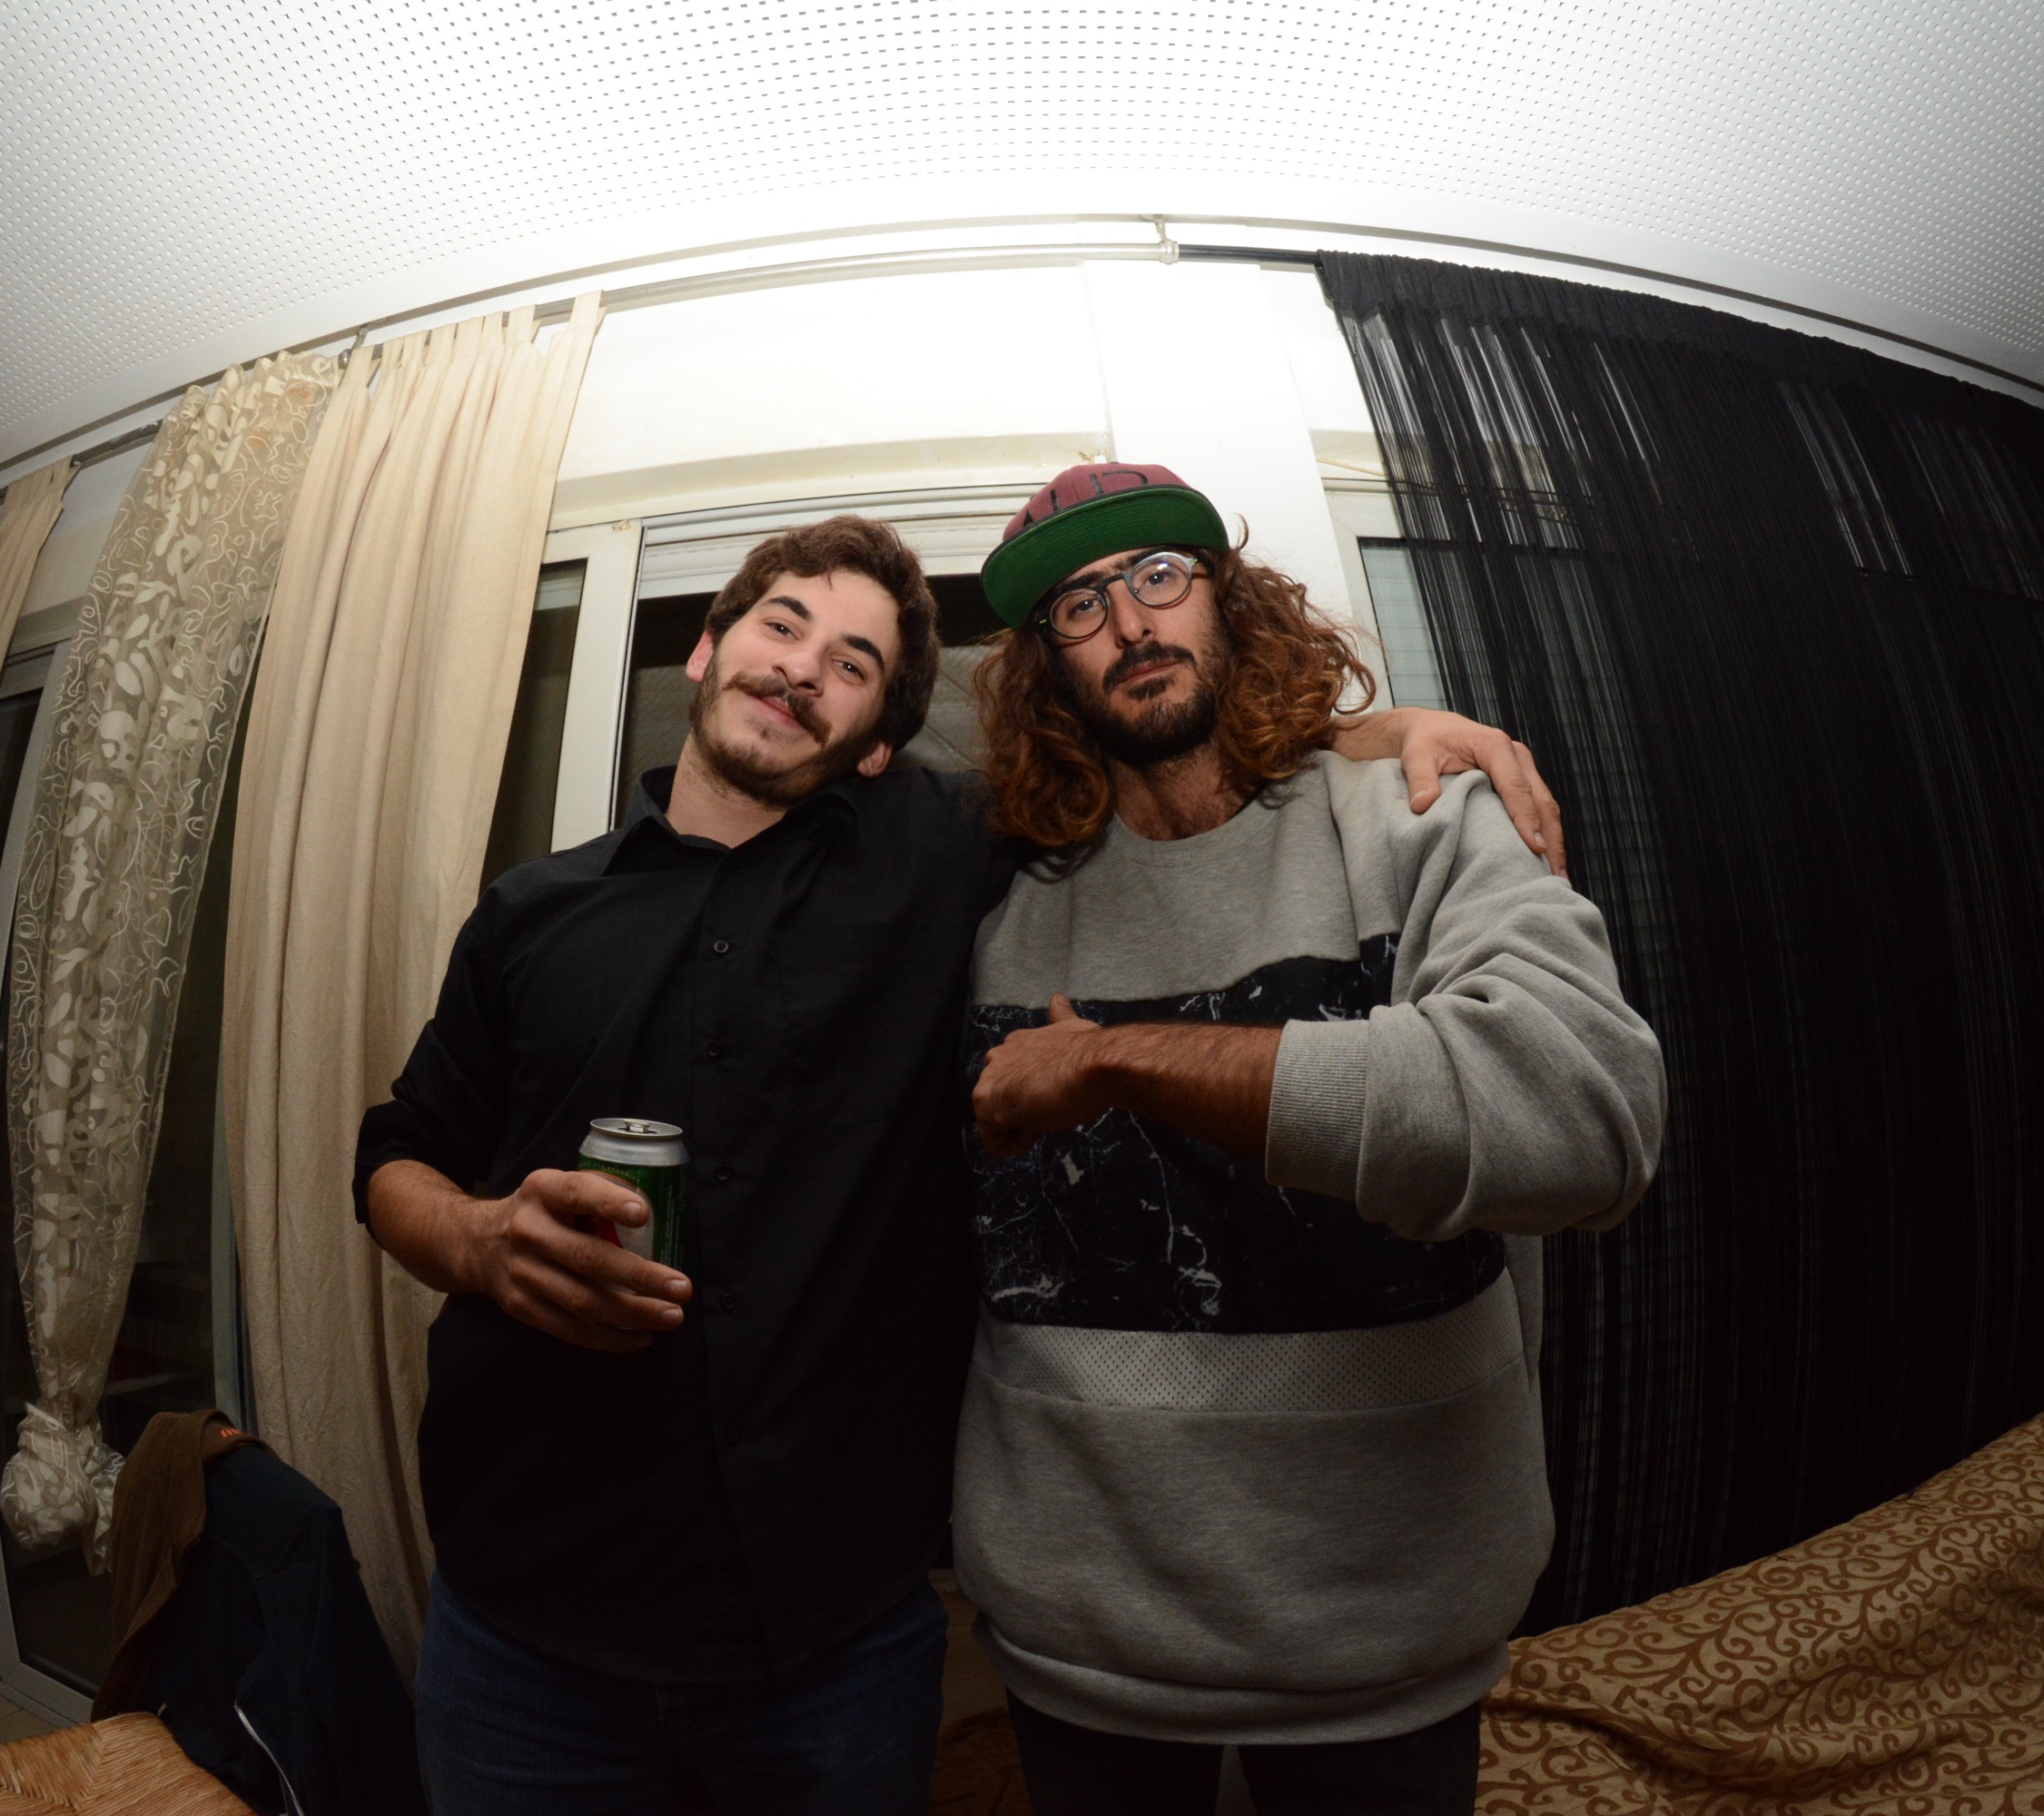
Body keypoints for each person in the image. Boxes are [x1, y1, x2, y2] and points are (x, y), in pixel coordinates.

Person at [355, 510, 1564, 1814]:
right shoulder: (531, 910)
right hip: (524, 1624)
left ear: (877, 742)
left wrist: (1382, 733)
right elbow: (397, 1156)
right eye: (781, 625)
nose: (803, 667)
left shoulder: (942, 857)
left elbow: (1164, 738)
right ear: (706, 650)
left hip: (827, 1646)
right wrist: (478, 1241)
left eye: (854, 664)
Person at [957, 463, 1667, 1816]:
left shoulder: (1412, 813)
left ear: (1228, 598)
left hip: (1385, 1630)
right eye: (1078, 605)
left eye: (1158, 573)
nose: (1130, 621)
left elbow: (1587, 1115)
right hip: (1076, 1633)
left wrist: (1117, 1058)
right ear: (1048, 665)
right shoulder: (995, 897)